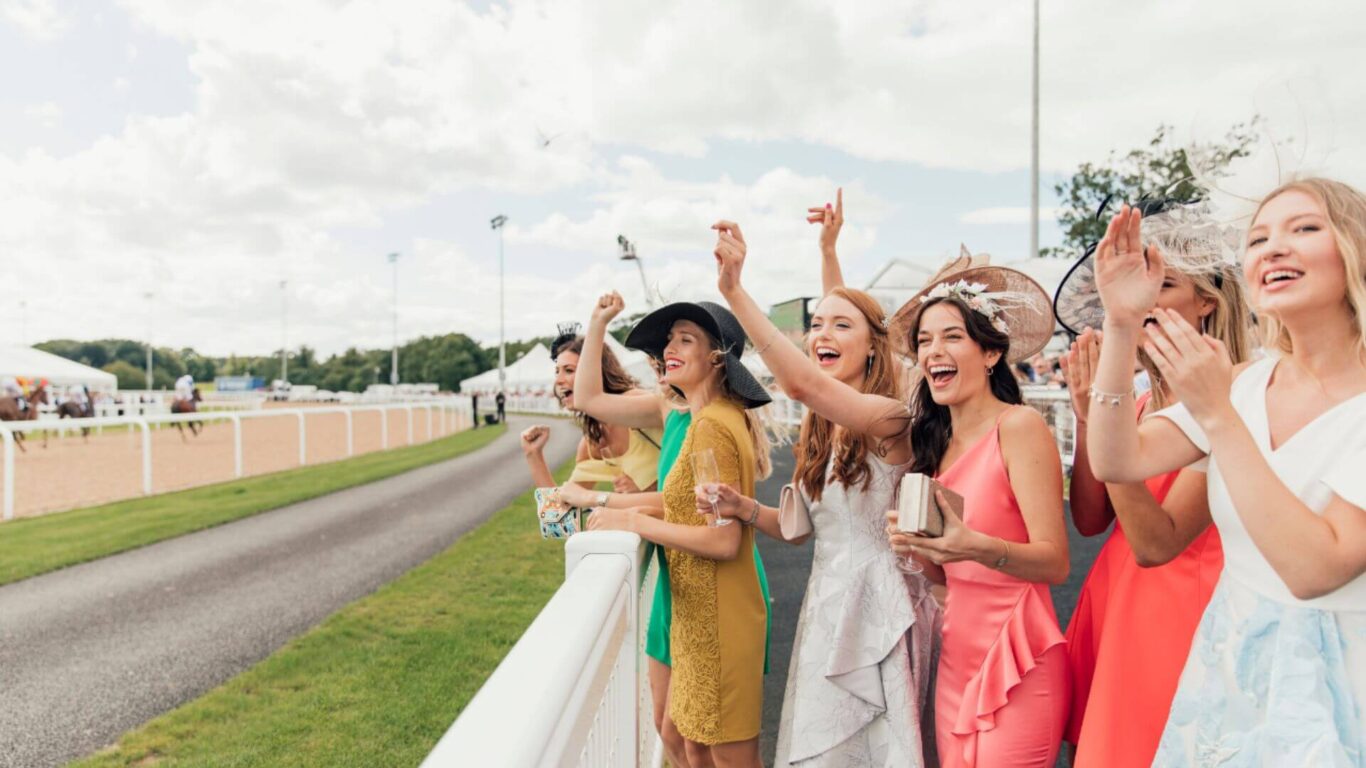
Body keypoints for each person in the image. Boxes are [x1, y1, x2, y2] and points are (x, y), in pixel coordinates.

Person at [1086, 181, 1366, 766]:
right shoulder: (1243, 382)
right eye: (1259, 238)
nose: (1273, 248)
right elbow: (1118, 460)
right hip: (1229, 669)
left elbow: (1314, 569)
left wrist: (1218, 415)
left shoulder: (1226, 394)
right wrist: (1119, 325)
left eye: (1304, 229)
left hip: (1343, 680)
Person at [708, 210, 940, 767]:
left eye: (840, 327)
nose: (821, 335)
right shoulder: (823, 428)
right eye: (816, 325)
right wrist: (743, 508)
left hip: (880, 609)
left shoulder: (889, 418)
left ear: (874, 348)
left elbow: (803, 381)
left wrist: (735, 292)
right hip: (826, 606)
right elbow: (800, 531)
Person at [1052, 198, 1254, 768]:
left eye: (1160, 286)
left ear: (1207, 301)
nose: (1140, 298)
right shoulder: (1138, 402)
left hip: (1180, 613)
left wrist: (1108, 423)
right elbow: (1091, 521)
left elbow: (1156, 542)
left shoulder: (1231, 401)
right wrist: (1095, 419)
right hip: (1116, 602)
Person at [882, 250, 1071, 768]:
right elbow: (946, 580)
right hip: (957, 654)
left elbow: (1055, 562)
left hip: (1021, 656)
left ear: (990, 354)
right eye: (924, 341)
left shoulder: (1019, 427)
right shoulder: (935, 445)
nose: (932, 351)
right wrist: (919, 550)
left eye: (951, 336)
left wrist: (974, 546)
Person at [588, 298, 773, 768]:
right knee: (693, 747)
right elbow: (691, 513)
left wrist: (632, 520)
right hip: (697, 613)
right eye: (669, 339)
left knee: (727, 756)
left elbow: (724, 541)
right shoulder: (704, 420)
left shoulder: (712, 425)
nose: (669, 347)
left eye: (685, 338)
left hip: (720, 614)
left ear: (717, 357)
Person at [519, 322, 661, 494]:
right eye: (557, 372)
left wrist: (655, 486)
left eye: (569, 370)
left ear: (596, 372)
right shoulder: (593, 439)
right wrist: (533, 455)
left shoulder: (639, 402)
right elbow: (561, 514)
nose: (558, 380)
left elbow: (694, 455)